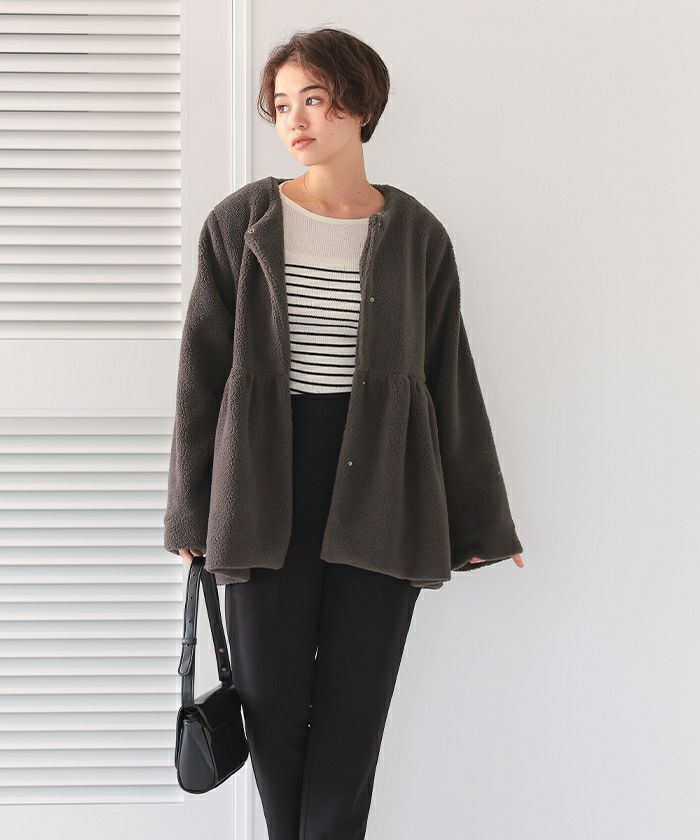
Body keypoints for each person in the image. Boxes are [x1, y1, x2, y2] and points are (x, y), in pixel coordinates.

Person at [167, 26, 524, 840]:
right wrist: (190, 511)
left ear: (360, 105)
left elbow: (449, 376)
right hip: (262, 483)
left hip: (386, 485)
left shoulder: (417, 234)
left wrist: (481, 521)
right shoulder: (242, 223)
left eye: (315, 99)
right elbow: (200, 379)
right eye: (281, 104)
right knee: (271, 711)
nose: (295, 120)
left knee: (353, 719)